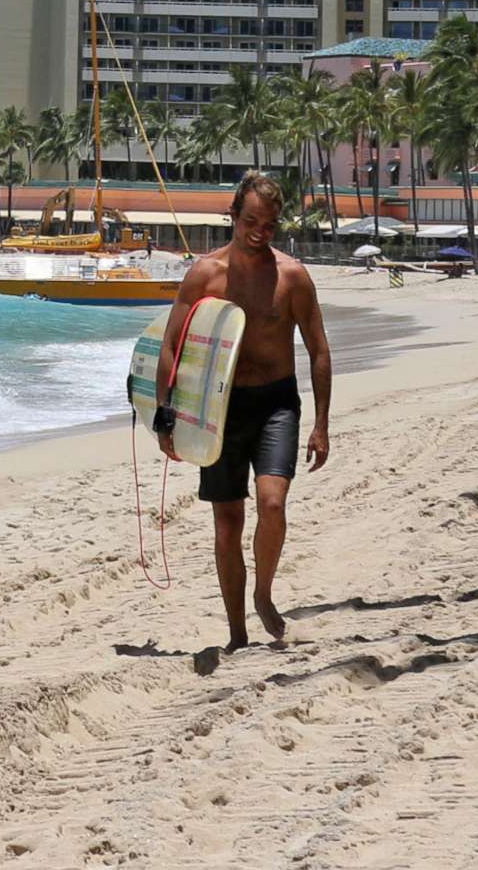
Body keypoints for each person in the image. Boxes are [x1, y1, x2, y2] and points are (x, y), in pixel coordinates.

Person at [151, 171, 332, 652]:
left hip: (275, 402)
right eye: (250, 220)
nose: (259, 230)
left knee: (273, 504)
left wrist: (321, 424)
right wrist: (165, 411)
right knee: (227, 523)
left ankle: (264, 594)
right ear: (232, 216)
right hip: (219, 408)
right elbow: (171, 344)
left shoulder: (291, 277)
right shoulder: (205, 275)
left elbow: (318, 351)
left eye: (269, 224)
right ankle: (236, 634)